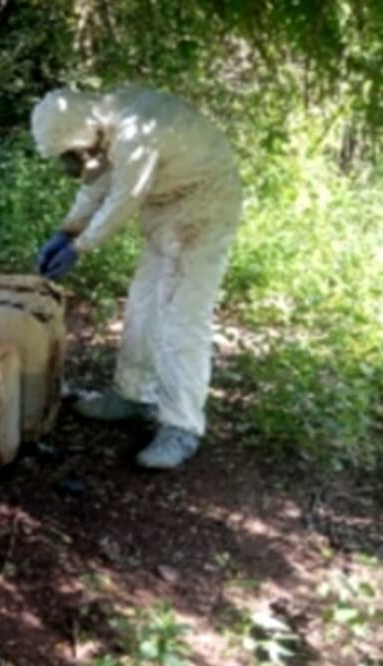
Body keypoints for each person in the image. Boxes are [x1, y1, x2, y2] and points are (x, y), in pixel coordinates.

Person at [30, 86, 243, 470]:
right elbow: (97, 185)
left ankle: (182, 426)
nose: (74, 161)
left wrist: (79, 248)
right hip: (168, 212)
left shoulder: (133, 132)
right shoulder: (104, 125)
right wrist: (67, 230)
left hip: (205, 211)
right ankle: (132, 395)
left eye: (72, 154)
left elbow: (123, 198)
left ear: (82, 135)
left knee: (181, 319)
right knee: (144, 305)